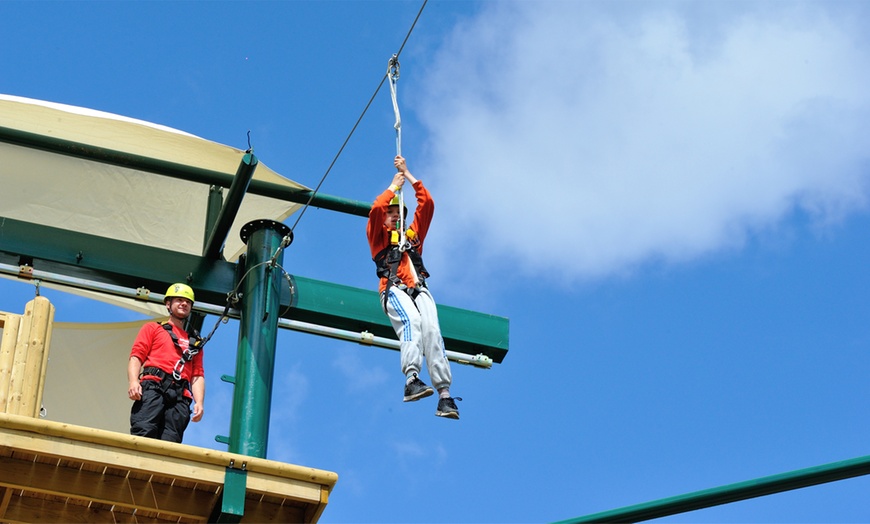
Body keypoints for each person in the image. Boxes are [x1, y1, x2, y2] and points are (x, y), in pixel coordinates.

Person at [367, 155, 461, 419]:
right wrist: (393, 187)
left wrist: (408, 175)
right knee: (412, 323)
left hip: (419, 289)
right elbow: (376, 210)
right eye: (392, 214)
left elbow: (427, 203)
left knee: (432, 330)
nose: (396, 217)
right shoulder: (379, 239)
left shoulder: (412, 241)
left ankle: (444, 394)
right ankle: (411, 379)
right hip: (393, 288)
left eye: (400, 214)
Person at [127, 283, 205, 442]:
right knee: (144, 432)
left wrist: (199, 402)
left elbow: (197, 375)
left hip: (180, 397)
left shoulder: (194, 344)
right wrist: (133, 381)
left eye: (188, 302)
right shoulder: (153, 329)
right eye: (179, 300)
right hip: (153, 386)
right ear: (168, 304)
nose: (184, 304)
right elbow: (136, 356)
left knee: (170, 442)